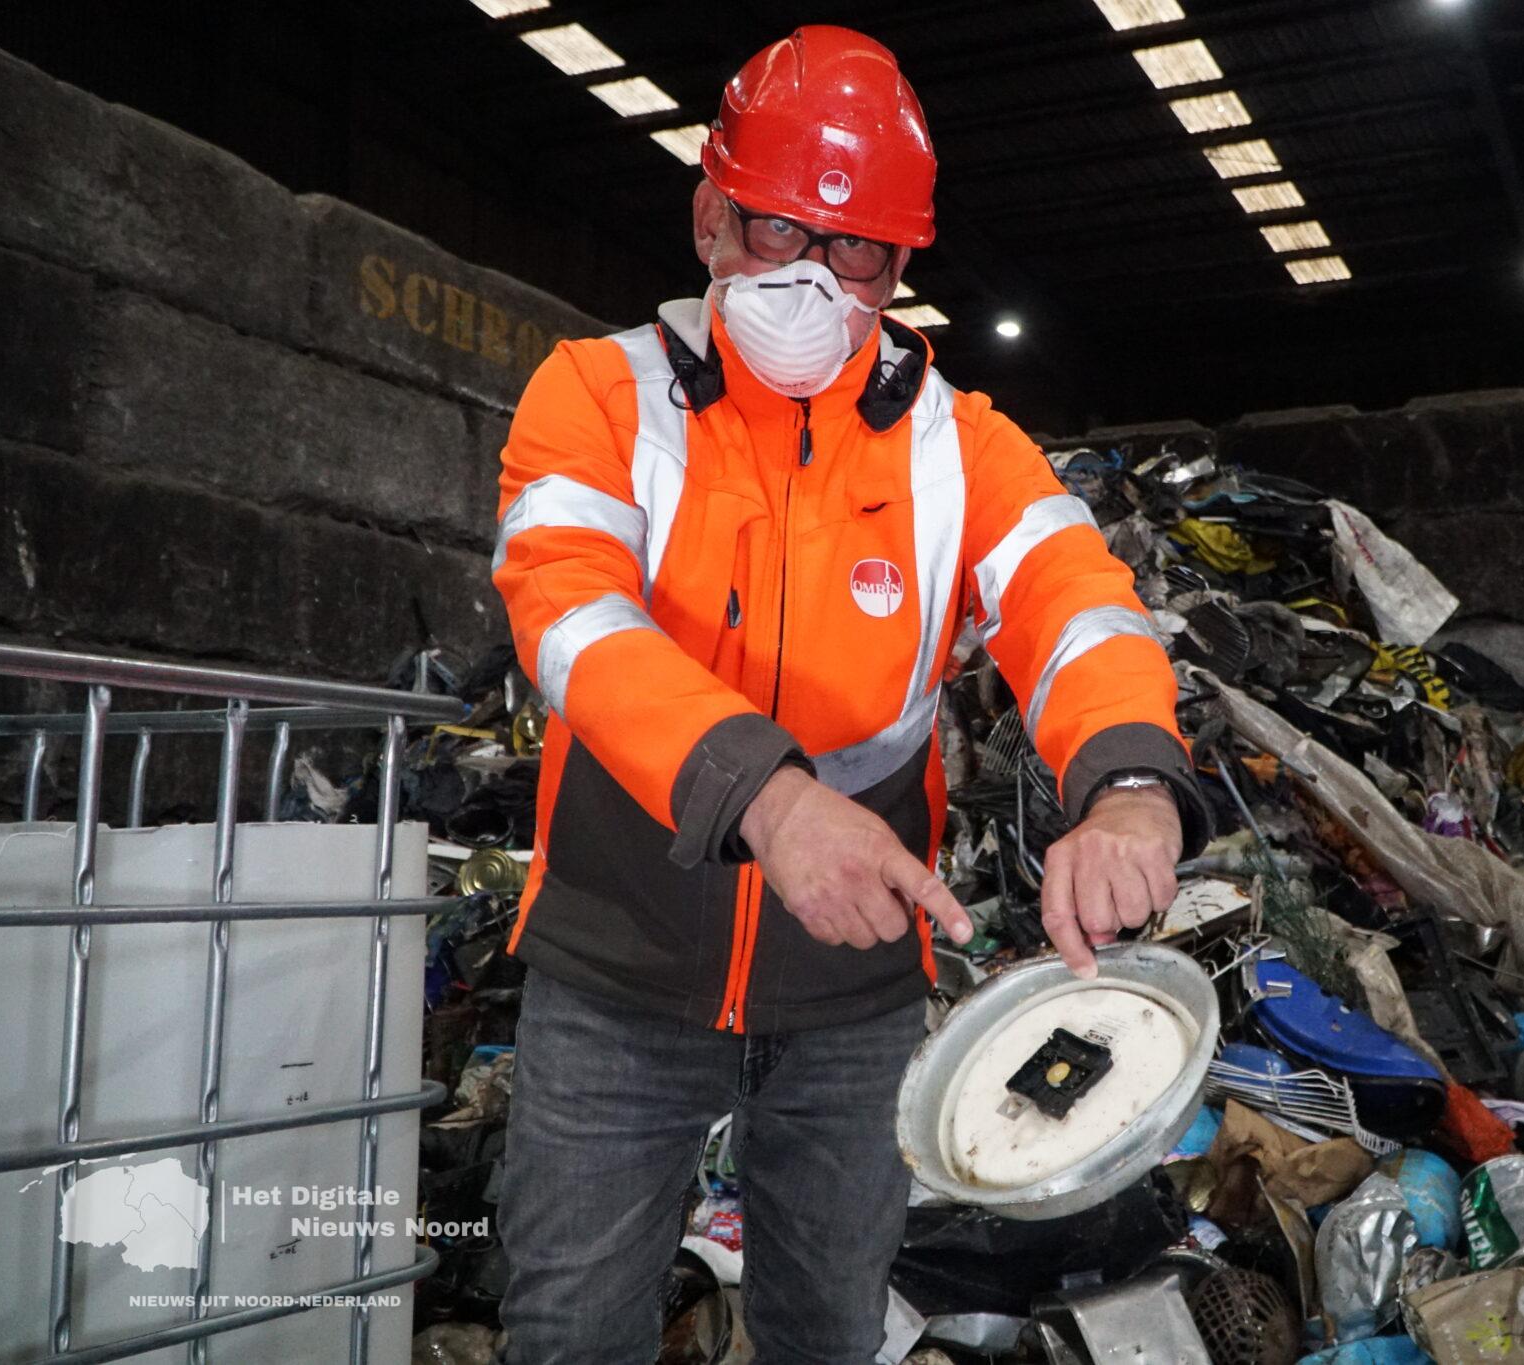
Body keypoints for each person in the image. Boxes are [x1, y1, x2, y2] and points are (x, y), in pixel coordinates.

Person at [489, 24, 1209, 1363]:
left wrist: (1124, 784)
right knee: (569, 1331)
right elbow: (570, 617)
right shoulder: (596, 396)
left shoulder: (960, 443)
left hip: (855, 1010)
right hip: (616, 983)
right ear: (711, 217)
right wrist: (768, 800)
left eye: (859, 251)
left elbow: (1078, 607)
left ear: (901, 264)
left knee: (828, 1328)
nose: (816, 281)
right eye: (778, 233)